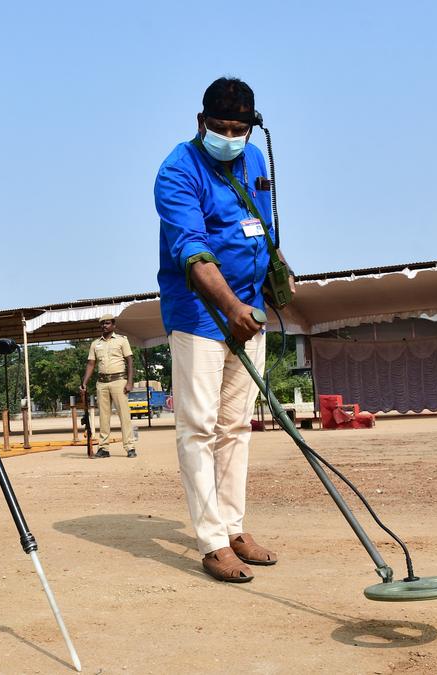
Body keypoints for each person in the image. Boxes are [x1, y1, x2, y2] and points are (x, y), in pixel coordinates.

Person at [153, 77, 282, 584]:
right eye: (221, 127)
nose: (230, 137)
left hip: (248, 313)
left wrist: (271, 281)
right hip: (200, 317)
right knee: (199, 428)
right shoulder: (177, 170)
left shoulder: (254, 161)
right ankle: (211, 542)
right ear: (200, 121)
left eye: (240, 129)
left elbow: (261, 228)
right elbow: (191, 248)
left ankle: (234, 527)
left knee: (236, 427)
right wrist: (228, 306)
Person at [79, 314, 137, 458]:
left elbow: (130, 361)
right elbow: (91, 364)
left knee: (124, 416)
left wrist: (130, 382)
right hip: (102, 383)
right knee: (103, 417)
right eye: (102, 324)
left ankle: (130, 447)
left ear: (113, 325)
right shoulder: (95, 344)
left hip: (119, 381)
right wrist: (84, 382)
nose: (104, 326)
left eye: (107, 323)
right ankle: (103, 448)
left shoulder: (122, 341)